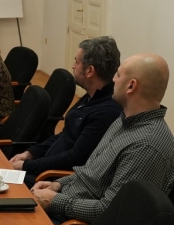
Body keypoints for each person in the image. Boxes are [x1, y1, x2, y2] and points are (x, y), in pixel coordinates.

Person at [31, 53, 174, 225]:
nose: (113, 79)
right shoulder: (124, 120)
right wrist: (57, 185)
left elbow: (112, 212)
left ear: (131, 86)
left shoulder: (145, 146)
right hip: (65, 203)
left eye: (118, 75)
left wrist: (54, 201)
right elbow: (90, 173)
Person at [9, 37, 122, 187]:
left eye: (77, 61)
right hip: (43, 169)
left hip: (51, 181)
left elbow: (75, 159)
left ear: (90, 71)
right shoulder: (92, 96)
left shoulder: (107, 112)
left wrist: (28, 166)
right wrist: (30, 153)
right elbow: (65, 135)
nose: (73, 66)